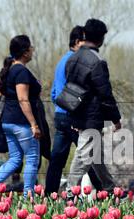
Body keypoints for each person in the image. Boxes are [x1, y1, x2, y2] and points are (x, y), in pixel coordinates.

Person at [65, 19, 122, 197]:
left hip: (76, 112)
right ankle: (69, 192)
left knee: (96, 156)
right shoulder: (97, 61)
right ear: (101, 38)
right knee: (83, 155)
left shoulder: (72, 59)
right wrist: (115, 117)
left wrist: (72, 117)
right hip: (92, 115)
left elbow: (70, 90)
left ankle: (110, 189)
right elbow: (105, 93)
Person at [46, 25, 103, 194]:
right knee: (87, 157)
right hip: (74, 117)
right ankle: (103, 192)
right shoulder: (77, 62)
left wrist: (60, 108)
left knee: (57, 159)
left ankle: (50, 195)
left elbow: (54, 93)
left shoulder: (61, 61)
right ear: (77, 42)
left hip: (60, 115)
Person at [0, 35, 42, 197]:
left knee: (15, 159)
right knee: (32, 159)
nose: (33, 50)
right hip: (22, 124)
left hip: (8, 122)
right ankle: (28, 197)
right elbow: (23, 98)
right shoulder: (21, 72)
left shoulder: (10, 70)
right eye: (31, 47)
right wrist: (34, 124)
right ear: (25, 52)